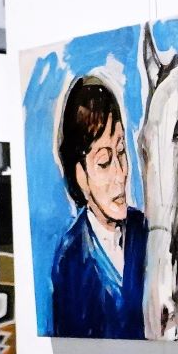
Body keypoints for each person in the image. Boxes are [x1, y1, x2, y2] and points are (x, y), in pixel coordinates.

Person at [49, 78, 148, 339]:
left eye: (121, 151)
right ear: (80, 176)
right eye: (104, 162)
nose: (120, 173)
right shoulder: (71, 260)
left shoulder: (147, 234)